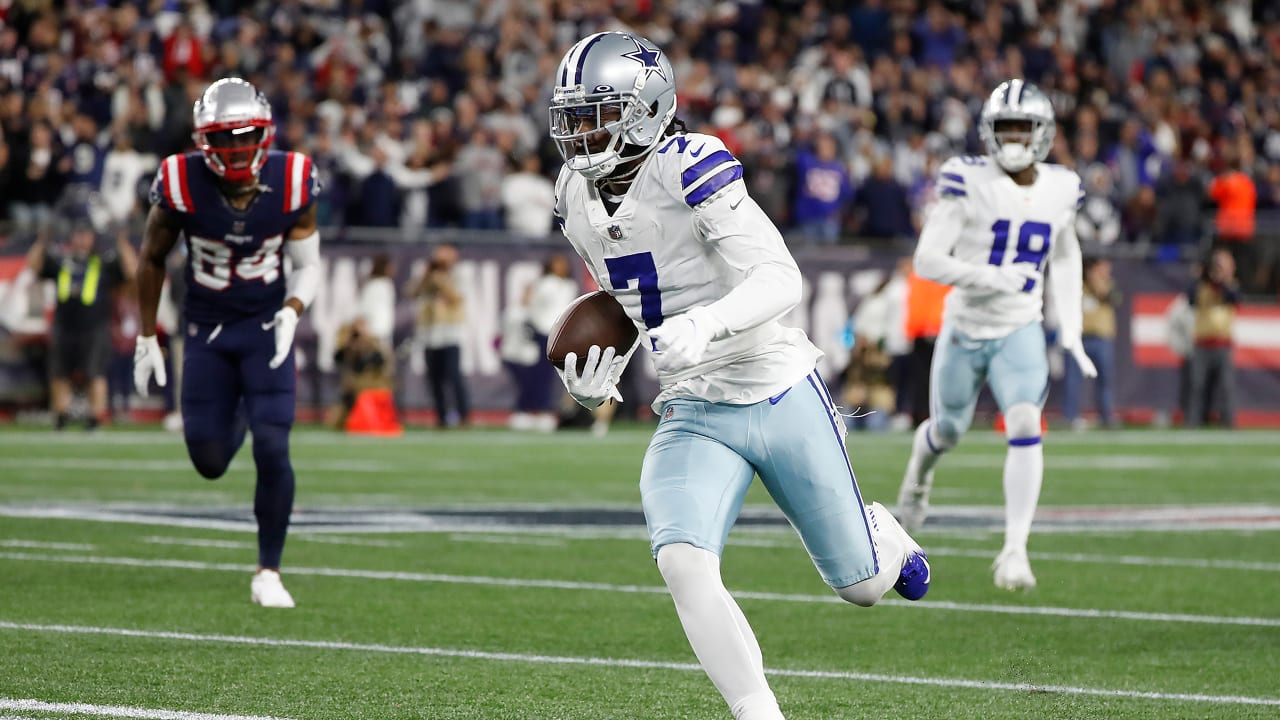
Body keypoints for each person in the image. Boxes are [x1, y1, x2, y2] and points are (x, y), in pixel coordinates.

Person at [547, 32, 928, 720]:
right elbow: (632, 305)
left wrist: (708, 323)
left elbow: (782, 278)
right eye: (573, 116)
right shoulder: (575, 195)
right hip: (692, 403)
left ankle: (885, 536)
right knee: (683, 563)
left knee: (864, 585)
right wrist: (593, 384)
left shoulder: (691, 166)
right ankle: (759, 714)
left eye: (597, 112)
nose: (581, 132)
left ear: (646, 109)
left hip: (773, 383)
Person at [131, 78, 322, 609]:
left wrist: (292, 311)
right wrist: (147, 333)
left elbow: (307, 266)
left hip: (266, 329)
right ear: (201, 142)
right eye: (224, 138)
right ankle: (241, 407)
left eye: (245, 136)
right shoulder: (179, 179)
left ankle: (269, 569)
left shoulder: (293, 177)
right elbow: (150, 258)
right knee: (209, 460)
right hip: (207, 332)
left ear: (264, 134)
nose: (237, 149)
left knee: (273, 444)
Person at [896, 80, 1092, 591]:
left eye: (1020, 128)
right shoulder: (968, 181)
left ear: (1042, 133)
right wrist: (990, 277)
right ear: (987, 132)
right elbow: (927, 260)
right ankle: (919, 474)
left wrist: (1071, 324)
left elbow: (1067, 252)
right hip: (965, 325)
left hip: (1020, 325)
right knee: (948, 431)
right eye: (1003, 128)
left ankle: (1014, 549)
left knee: (1026, 419)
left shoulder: (1061, 187)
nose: (1011, 138)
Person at [26, 221, 137, 430]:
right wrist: (42, 240)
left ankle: (94, 419)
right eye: (78, 234)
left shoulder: (103, 262)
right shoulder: (61, 261)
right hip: (64, 326)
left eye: (85, 235)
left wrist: (122, 241)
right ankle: (61, 417)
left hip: (95, 327)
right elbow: (34, 266)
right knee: (59, 374)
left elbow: (131, 271)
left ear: (92, 238)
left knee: (95, 373)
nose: (82, 239)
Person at [411, 244, 470, 428]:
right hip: (430, 333)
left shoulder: (459, 274)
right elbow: (412, 293)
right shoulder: (426, 275)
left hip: (451, 332)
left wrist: (440, 281)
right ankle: (441, 417)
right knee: (434, 379)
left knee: (453, 376)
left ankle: (463, 416)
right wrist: (427, 277)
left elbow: (456, 298)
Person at [1061, 258, 1120, 430]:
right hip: (1079, 338)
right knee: (1073, 380)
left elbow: (1113, 298)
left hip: (1102, 338)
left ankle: (1106, 417)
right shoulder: (1075, 284)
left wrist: (1098, 283)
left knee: (1105, 380)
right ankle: (1070, 417)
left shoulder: (1108, 284)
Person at [1185, 248, 1239, 428]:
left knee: (1226, 387)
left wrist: (1221, 280)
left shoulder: (1230, 285)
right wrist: (1199, 276)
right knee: (1197, 385)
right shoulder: (1201, 286)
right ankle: (1193, 422)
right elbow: (1190, 298)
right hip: (1202, 343)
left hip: (1223, 343)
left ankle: (1228, 422)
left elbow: (1235, 298)